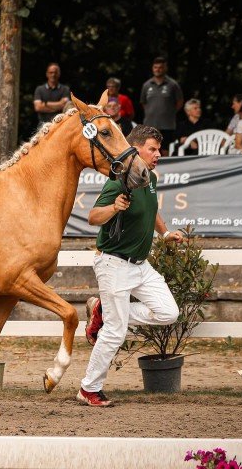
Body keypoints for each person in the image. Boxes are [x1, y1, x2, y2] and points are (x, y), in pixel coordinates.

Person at [77, 124, 182, 407]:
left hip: (140, 265)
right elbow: (93, 217)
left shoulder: (150, 178)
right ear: (135, 150)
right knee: (115, 331)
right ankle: (89, 389)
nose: (158, 154)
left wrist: (165, 232)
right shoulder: (118, 181)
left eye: (159, 149)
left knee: (169, 312)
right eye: (153, 149)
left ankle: (102, 309)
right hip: (113, 263)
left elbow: (152, 209)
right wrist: (114, 208)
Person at [140, 57, 184, 156]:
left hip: (167, 125)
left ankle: (165, 171)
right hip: (150, 125)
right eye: (155, 67)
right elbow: (143, 103)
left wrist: (168, 112)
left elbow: (180, 102)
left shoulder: (173, 84)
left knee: (164, 150)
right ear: (152, 68)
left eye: (160, 67)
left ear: (165, 68)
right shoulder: (146, 85)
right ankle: (150, 171)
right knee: (149, 149)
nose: (157, 69)